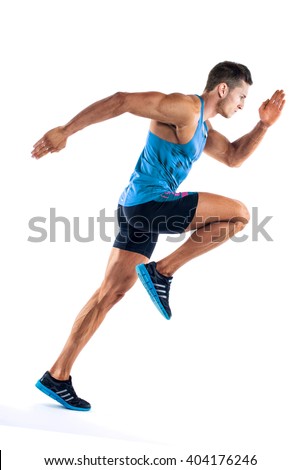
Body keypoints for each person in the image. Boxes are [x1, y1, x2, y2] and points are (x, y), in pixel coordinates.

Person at [31, 61, 285, 411]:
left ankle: (57, 375)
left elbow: (233, 157)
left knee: (109, 294)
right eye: (242, 96)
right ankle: (162, 271)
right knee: (239, 214)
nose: (243, 104)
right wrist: (66, 130)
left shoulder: (204, 130)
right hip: (149, 204)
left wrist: (264, 124)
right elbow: (121, 100)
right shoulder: (184, 108)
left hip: (137, 209)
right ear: (222, 89)